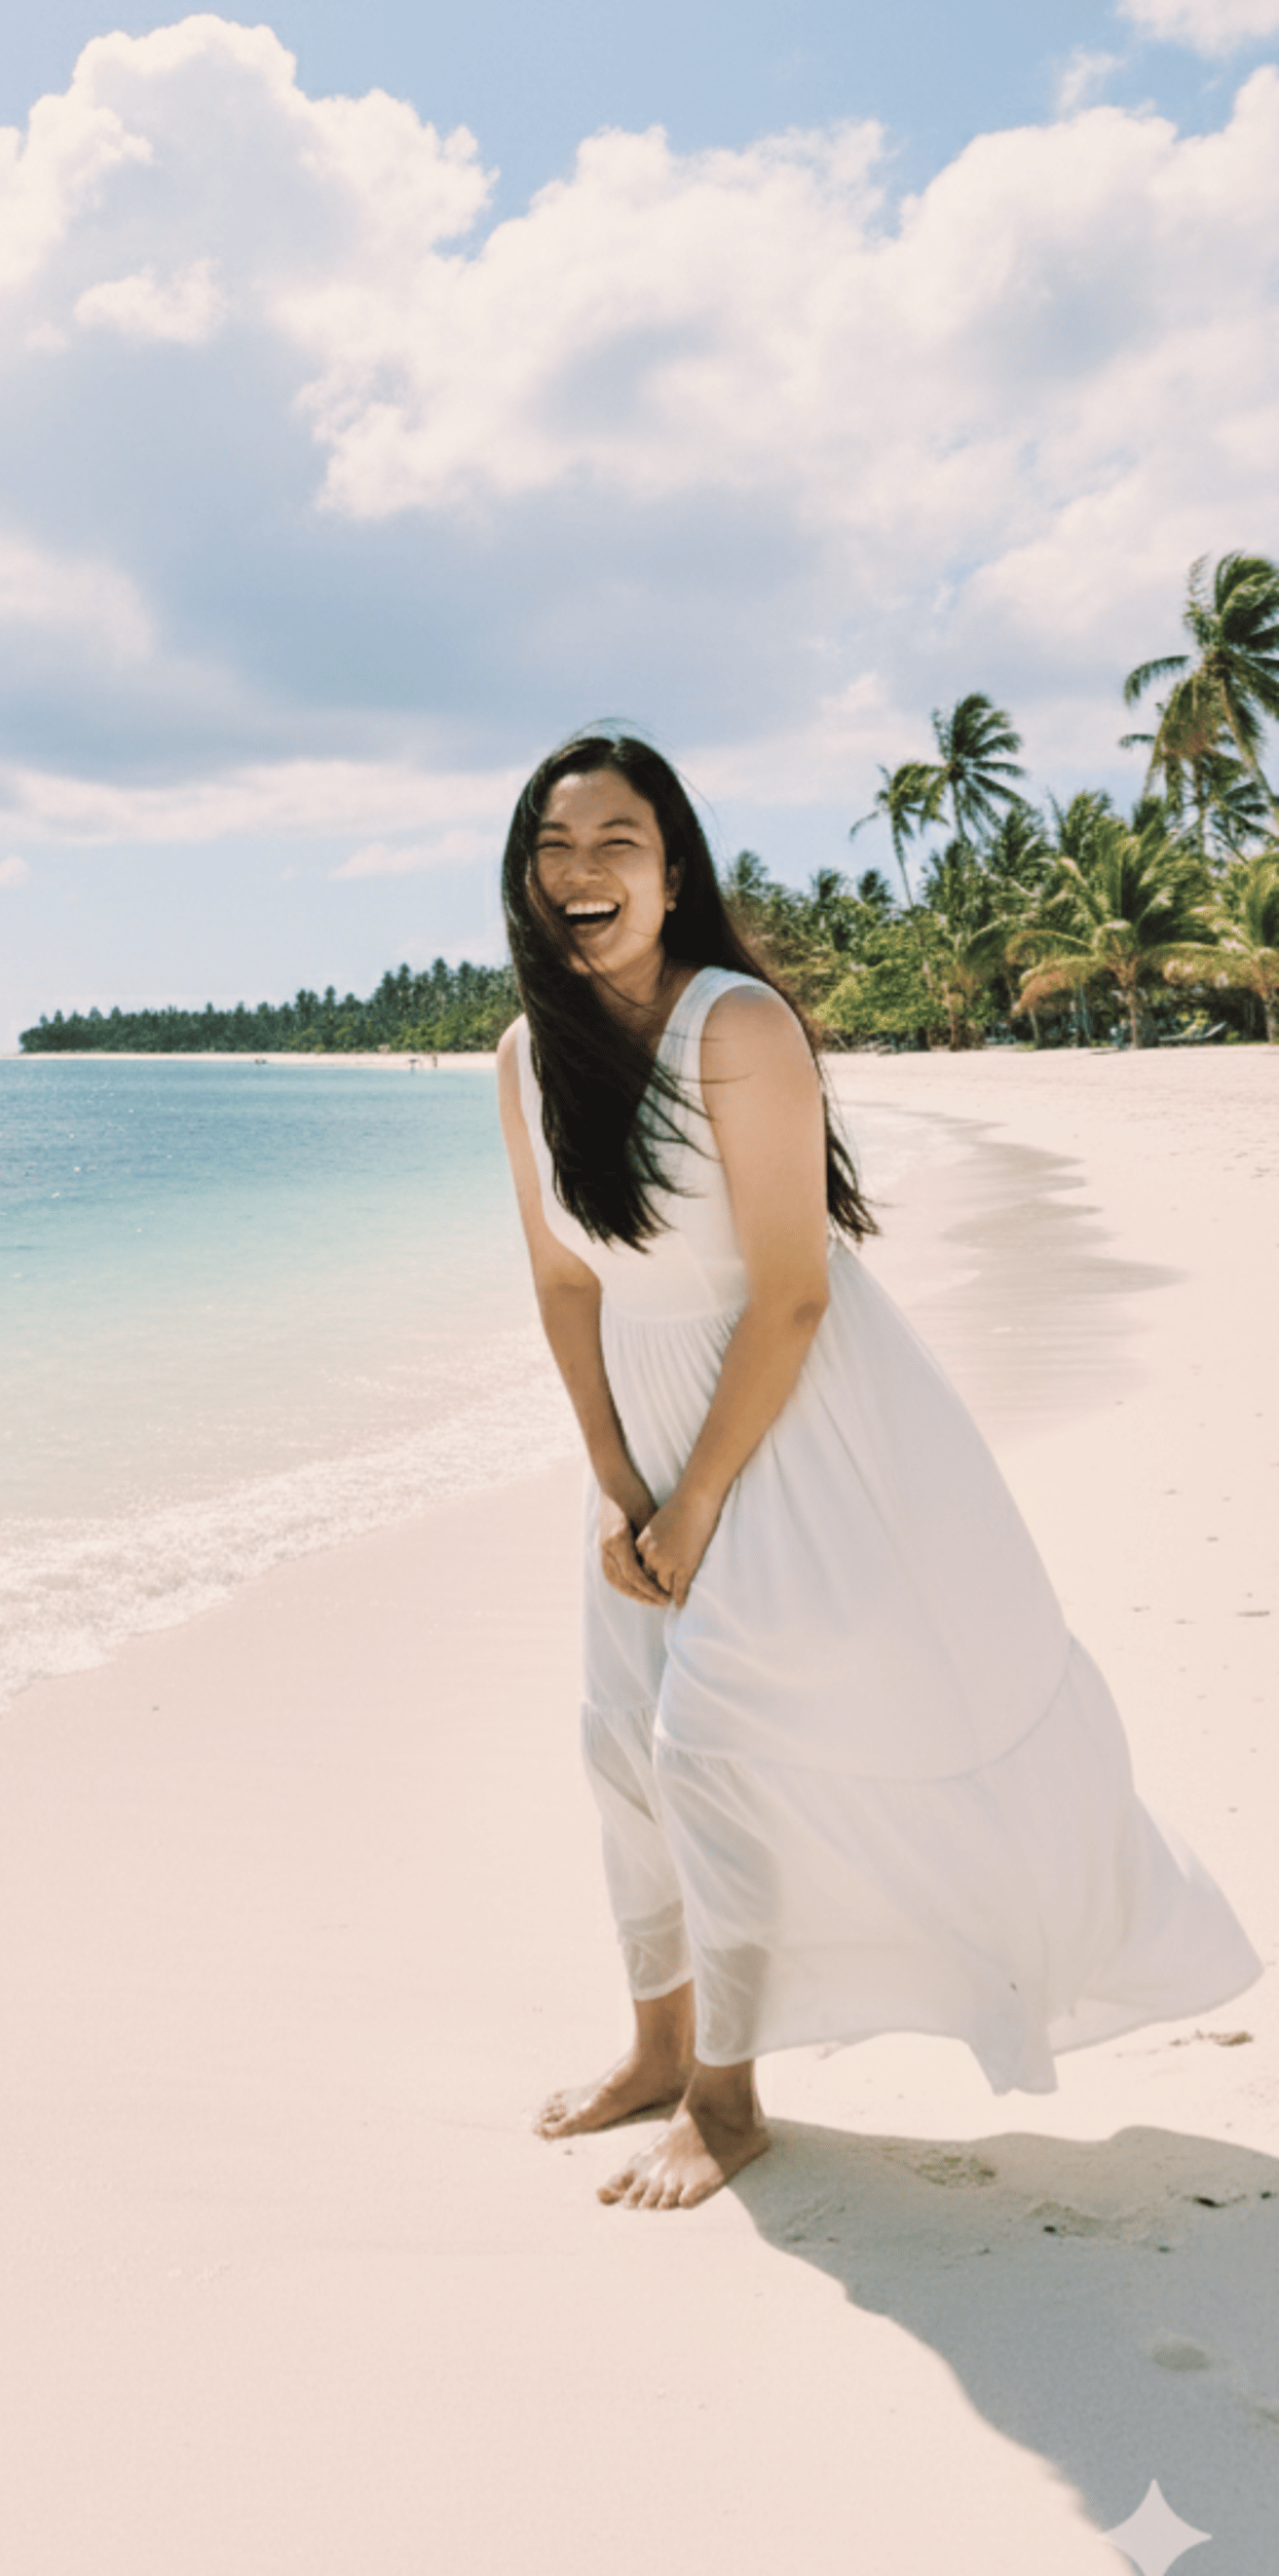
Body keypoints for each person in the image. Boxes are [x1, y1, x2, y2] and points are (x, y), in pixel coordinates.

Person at [495, 730, 1259, 2214]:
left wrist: (700, 1494)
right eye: (554, 848)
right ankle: (656, 2050)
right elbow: (565, 1285)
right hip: (644, 1431)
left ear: (675, 871)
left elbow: (790, 1291)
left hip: (793, 1419)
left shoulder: (737, 1026)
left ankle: (728, 2101)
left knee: (709, 1747)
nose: (583, 876)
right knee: (620, 1744)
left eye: (618, 845)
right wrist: (616, 1479)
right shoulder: (526, 1054)